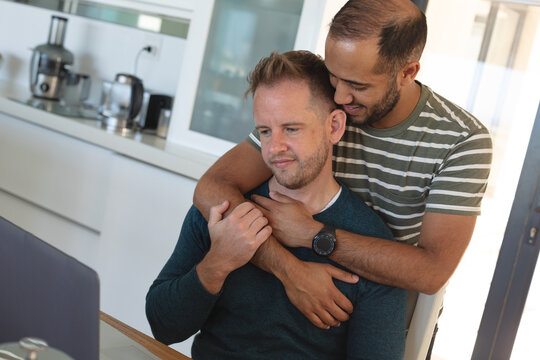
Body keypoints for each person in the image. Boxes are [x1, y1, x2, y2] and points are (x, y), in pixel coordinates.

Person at [193, 0, 493, 332]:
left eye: (358, 86)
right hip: (287, 301)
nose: (340, 97)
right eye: (335, 78)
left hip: (381, 314)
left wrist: (314, 236)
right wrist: (289, 271)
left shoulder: (461, 141)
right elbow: (212, 187)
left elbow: (432, 272)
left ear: (408, 73)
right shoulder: (324, 101)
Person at [146, 50, 407, 359]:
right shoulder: (224, 210)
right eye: (265, 131)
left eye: (291, 129)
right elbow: (163, 327)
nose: (274, 148)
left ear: (334, 126)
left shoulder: (372, 247)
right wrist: (218, 263)